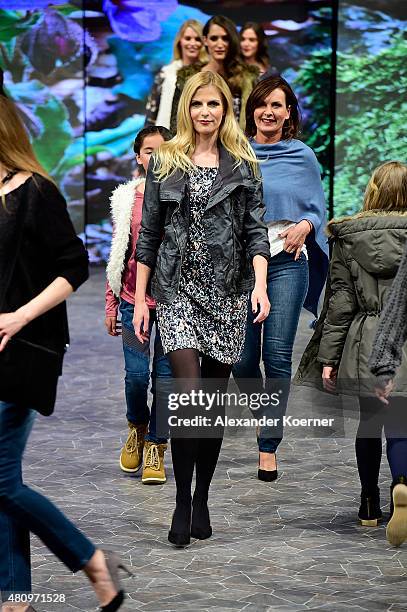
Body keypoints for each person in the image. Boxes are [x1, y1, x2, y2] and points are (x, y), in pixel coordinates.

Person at [0, 97, 130, 611]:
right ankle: (14, 596)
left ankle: (93, 561)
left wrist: (19, 316)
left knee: (1, 477)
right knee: (3, 476)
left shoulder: (36, 192)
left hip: (23, 348)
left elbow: (74, 266)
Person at [134, 70, 270, 547]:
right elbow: (148, 235)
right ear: (186, 109)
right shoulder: (165, 162)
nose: (205, 112)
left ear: (225, 109)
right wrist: (141, 300)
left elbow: (256, 231)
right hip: (177, 293)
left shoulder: (244, 162)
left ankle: (201, 499)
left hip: (229, 293)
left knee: (208, 408)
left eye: (213, 104)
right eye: (197, 104)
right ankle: (180, 500)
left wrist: (260, 285)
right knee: (188, 398)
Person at [296, 161, 407, 537]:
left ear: (372, 190)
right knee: (401, 423)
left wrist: (328, 358)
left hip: (366, 339)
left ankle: (367, 503)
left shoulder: (347, 236)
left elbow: (340, 303)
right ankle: (401, 488)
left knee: (371, 421)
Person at [232, 76, 328, 481]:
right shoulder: (234, 154)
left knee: (276, 355)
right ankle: (265, 413)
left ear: (289, 112)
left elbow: (317, 208)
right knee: (242, 360)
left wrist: (306, 225)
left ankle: (268, 443)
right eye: (262, 104)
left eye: (277, 105)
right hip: (239, 265)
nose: (268, 112)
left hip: (289, 259)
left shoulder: (302, 155)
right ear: (252, 109)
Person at [105, 125, 172, 484]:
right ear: (138, 156)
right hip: (133, 301)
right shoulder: (126, 198)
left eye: (162, 151)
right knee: (135, 375)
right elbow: (118, 252)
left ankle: (156, 446)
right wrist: (111, 304)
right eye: (149, 151)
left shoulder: (182, 193)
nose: (155, 157)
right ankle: (137, 426)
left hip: (174, 304)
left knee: (165, 379)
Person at [369, 188, 407, 547]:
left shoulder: (350, 235)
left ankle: (402, 481)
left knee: (399, 423)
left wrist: (384, 365)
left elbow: (398, 307)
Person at [170, 15, 259, 132]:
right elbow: (176, 122)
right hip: (196, 147)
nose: (220, 44)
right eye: (214, 38)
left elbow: (253, 121)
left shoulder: (247, 78)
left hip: (237, 146)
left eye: (225, 38)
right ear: (205, 40)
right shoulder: (188, 77)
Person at [144, 19, 206, 129]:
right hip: (165, 136)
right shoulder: (166, 73)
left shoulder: (207, 75)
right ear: (180, 41)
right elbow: (151, 112)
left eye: (197, 39)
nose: (192, 43)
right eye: (188, 38)